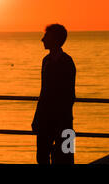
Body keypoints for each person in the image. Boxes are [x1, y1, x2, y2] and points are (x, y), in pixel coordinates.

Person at [32, 24, 76, 164]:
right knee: (42, 157)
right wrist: (37, 116)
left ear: (55, 39)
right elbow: (43, 91)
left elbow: (69, 94)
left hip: (63, 120)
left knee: (65, 158)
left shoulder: (67, 62)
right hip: (46, 119)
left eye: (46, 36)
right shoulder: (46, 61)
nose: (42, 39)